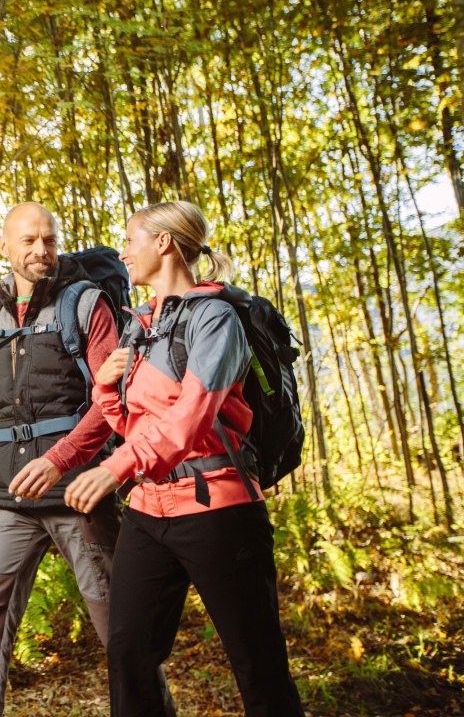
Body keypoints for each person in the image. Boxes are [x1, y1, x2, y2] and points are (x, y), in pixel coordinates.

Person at [62, 200, 304, 717]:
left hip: (220, 512)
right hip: (150, 513)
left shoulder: (215, 319)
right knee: (129, 653)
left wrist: (116, 467)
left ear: (164, 243)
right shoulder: (140, 324)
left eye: (131, 241)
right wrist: (106, 389)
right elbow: (133, 423)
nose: (124, 253)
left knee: (258, 665)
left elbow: (193, 416)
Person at [0, 202, 122, 717]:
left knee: (118, 629)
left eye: (48, 240)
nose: (40, 251)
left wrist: (63, 459)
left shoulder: (86, 303)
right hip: (16, 497)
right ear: (5, 246)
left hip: (78, 492)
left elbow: (111, 403)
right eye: (28, 241)